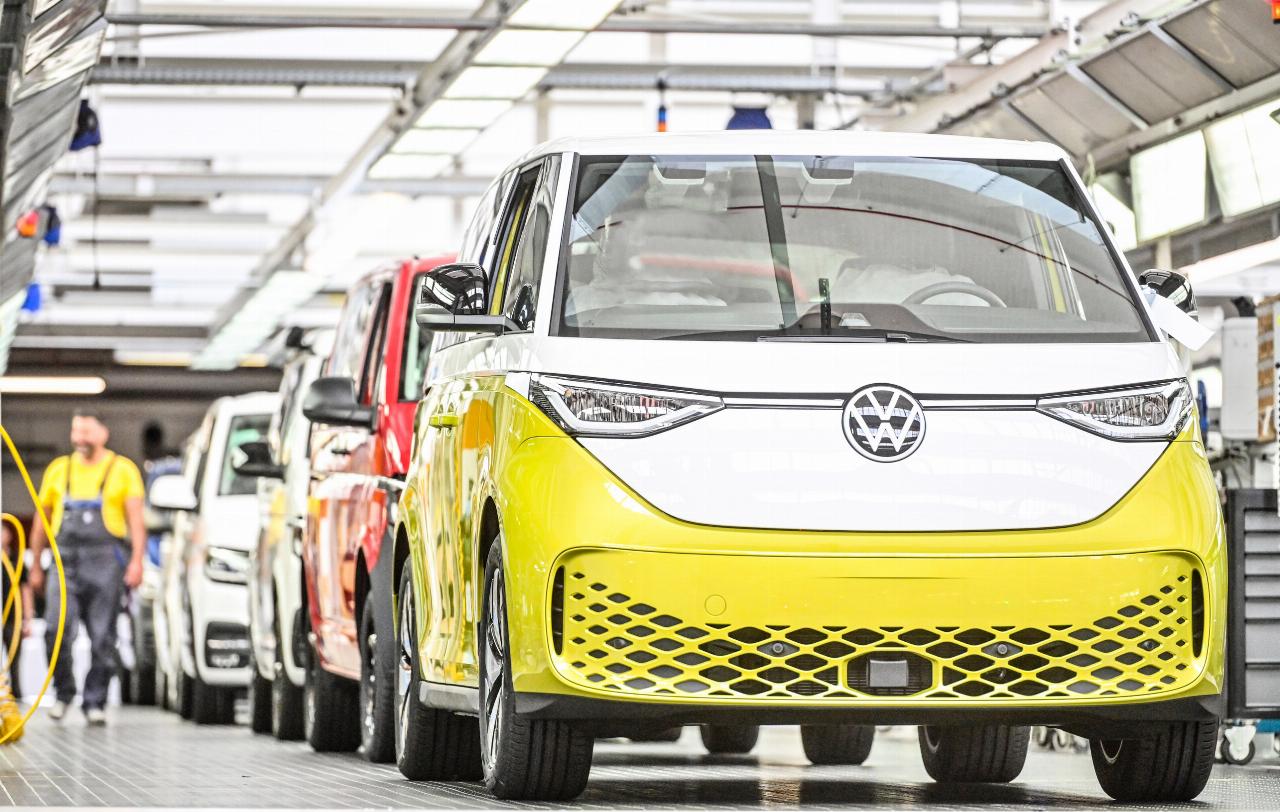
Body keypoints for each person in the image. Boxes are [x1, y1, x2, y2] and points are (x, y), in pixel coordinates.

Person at [28, 410, 145, 725]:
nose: (80, 438)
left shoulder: (123, 470)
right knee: (55, 629)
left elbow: (136, 521)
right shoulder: (58, 469)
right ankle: (63, 692)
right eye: (75, 431)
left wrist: (137, 561)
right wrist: (36, 565)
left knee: (103, 636)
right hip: (63, 561)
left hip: (106, 561)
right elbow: (41, 521)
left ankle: (95, 700)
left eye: (86, 432)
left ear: (103, 433)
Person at [1, 522, 34, 700]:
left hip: (14, 618)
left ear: (9, 535)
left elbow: (25, 590)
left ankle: (16, 695)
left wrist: (28, 619)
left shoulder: (17, 561)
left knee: (14, 658)